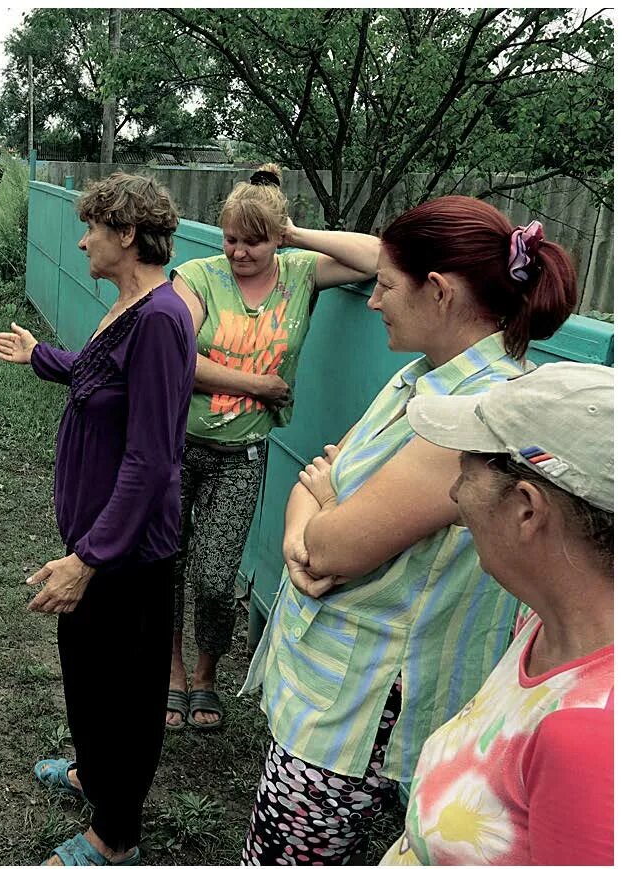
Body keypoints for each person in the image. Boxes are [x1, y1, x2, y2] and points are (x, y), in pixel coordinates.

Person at [240, 197, 579, 864]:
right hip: (345, 693)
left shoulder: (467, 413)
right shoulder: (428, 375)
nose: (372, 300)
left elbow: (330, 543)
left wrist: (317, 514)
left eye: (387, 287)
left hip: (355, 717)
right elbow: (324, 475)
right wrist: (321, 505)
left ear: (440, 292)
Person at [0, 173, 194, 866]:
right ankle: (93, 776)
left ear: (127, 233)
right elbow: (99, 374)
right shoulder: (129, 307)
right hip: (97, 541)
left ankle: (116, 834)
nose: (81, 240)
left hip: (127, 553)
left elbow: (152, 458)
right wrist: (40, 357)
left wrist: (91, 557)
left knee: (124, 693)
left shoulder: (163, 319)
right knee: (85, 669)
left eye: (93, 228)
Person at [164, 164, 380, 731]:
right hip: (176, 444)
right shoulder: (196, 276)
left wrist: (296, 234)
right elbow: (178, 360)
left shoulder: (299, 274)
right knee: (166, 563)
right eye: (230, 237)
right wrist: (258, 385)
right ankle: (173, 672)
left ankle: (207, 674)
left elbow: (381, 258)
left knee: (214, 574)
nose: (237, 252)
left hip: (242, 453)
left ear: (276, 240)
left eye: (253, 241)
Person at [378, 362, 613, 865]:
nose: (454, 493)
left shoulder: (592, 738)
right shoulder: (545, 621)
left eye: (467, 468)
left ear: (527, 509)